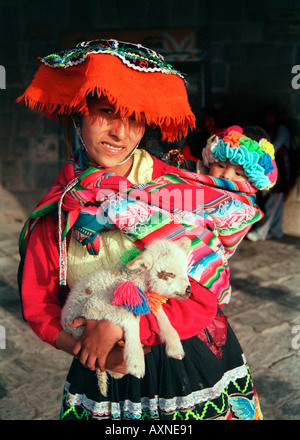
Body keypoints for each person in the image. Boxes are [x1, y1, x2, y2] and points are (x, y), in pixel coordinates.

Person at [17, 39, 264, 420]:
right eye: (105, 112)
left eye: (133, 117)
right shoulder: (58, 210)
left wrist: (125, 327)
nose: (120, 132)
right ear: (78, 115)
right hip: (101, 367)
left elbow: (201, 293)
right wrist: (86, 346)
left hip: (183, 360)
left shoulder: (176, 193)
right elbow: (39, 307)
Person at [246, 106, 291, 241]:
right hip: (273, 169)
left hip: (281, 171)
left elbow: (274, 148)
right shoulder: (271, 129)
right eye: (267, 115)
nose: (269, 118)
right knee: (272, 203)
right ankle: (275, 231)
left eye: (271, 115)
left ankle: (261, 232)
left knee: (273, 202)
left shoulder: (281, 129)